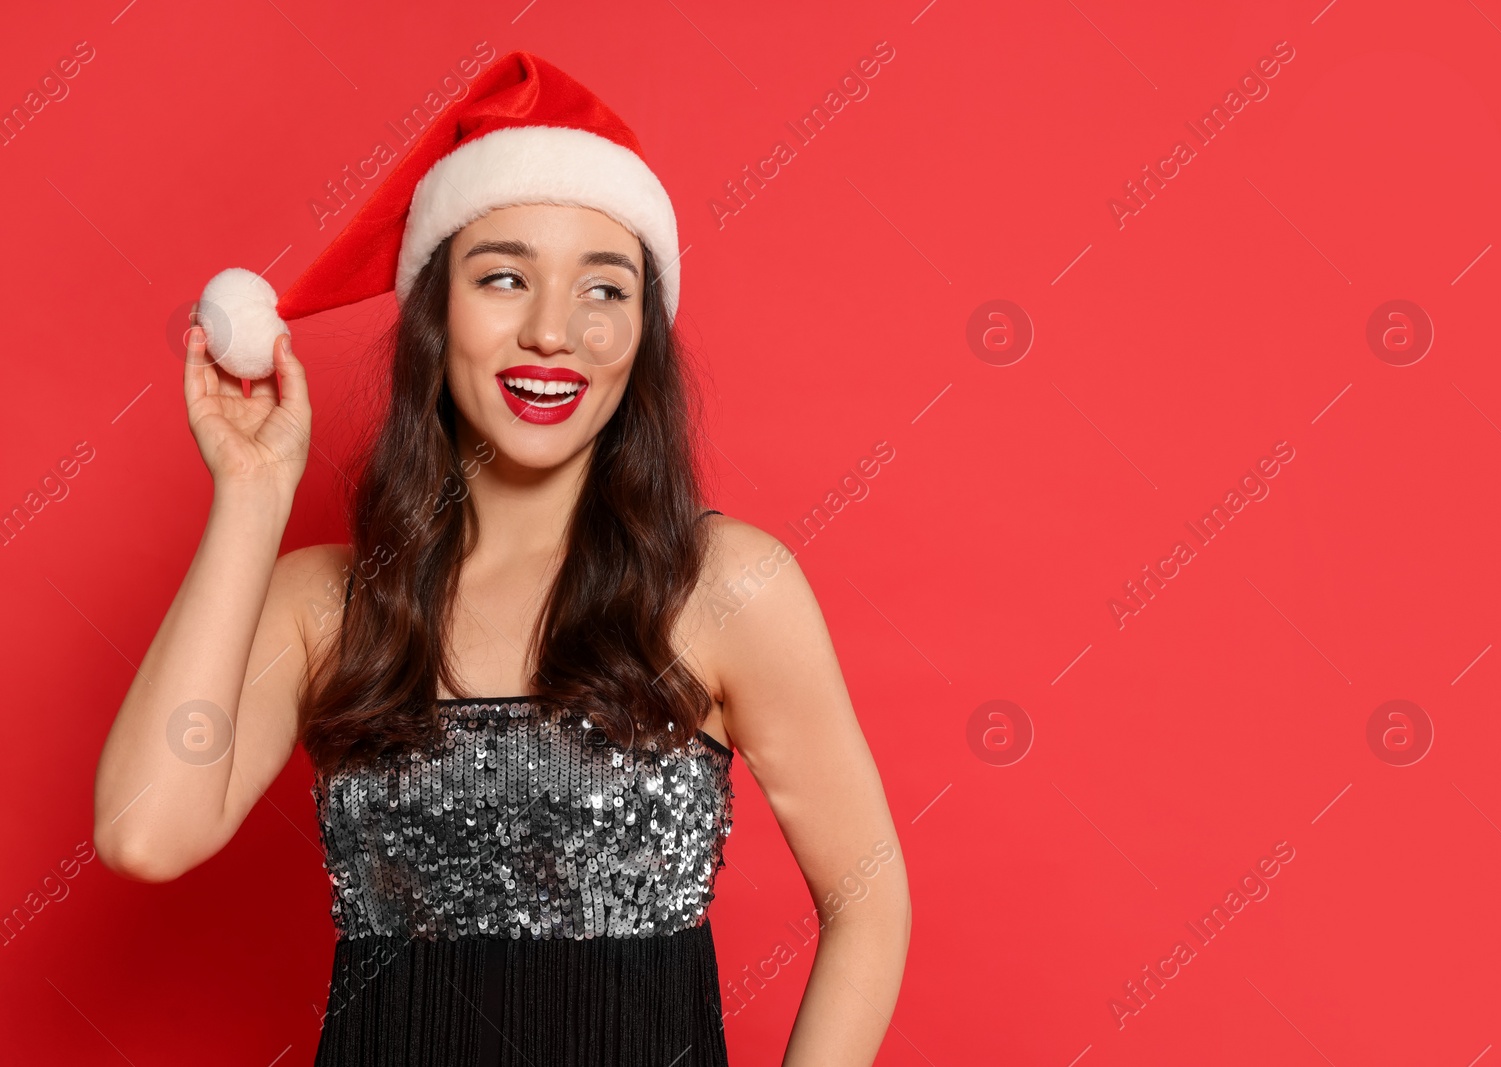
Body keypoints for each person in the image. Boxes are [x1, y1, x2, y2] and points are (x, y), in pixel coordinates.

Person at [91, 50, 909, 1066]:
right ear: (435, 315)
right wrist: (252, 496)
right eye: (505, 277)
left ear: (639, 333)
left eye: (602, 289)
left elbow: (866, 898)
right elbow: (143, 831)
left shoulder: (726, 586)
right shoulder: (324, 601)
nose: (553, 330)